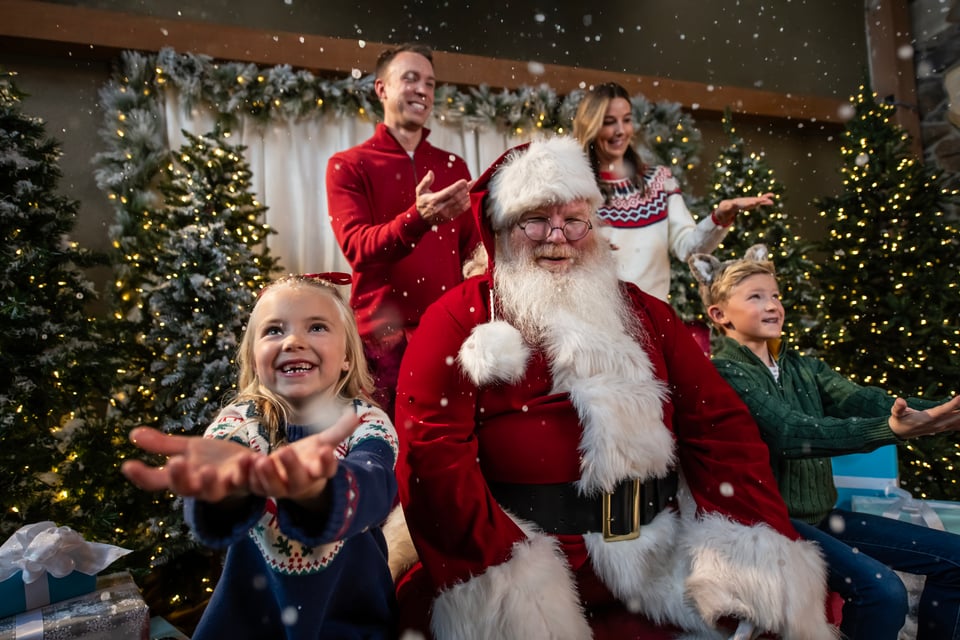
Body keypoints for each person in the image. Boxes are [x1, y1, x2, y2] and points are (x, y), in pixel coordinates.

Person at [390, 136, 836, 639]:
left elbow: (719, 426)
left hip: (656, 558)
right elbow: (432, 458)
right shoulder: (457, 318)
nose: (556, 236)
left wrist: (749, 546)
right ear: (500, 229)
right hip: (526, 561)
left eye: (574, 220)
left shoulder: (645, 312)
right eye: (534, 219)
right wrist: (503, 570)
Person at [689, 244, 960, 640]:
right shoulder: (726, 372)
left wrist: (939, 411)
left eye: (776, 295)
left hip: (821, 518)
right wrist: (889, 431)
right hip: (773, 526)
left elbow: (866, 400)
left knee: (954, 558)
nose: (773, 305)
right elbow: (791, 433)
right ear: (719, 315)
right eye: (756, 297)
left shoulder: (802, 367)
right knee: (883, 592)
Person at [122, 273, 399, 640]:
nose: (293, 341)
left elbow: (376, 480)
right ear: (254, 360)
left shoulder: (366, 421)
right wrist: (224, 483)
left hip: (348, 622)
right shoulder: (239, 422)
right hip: (246, 623)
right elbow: (221, 481)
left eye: (316, 327)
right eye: (273, 331)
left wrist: (318, 489)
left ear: (348, 357)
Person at [326, 43, 481, 419]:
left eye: (429, 82)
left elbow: (474, 254)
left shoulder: (452, 165)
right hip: (379, 346)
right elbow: (358, 247)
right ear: (382, 89)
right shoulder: (348, 165)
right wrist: (418, 218)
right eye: (410, 79)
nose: (423, 90)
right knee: (383, 455)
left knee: (443, 453)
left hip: (447, 337)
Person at [571, 81, 775, 301]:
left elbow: (688, 248)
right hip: (596, 315)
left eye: (627, 120)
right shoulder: (575, 186)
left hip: (652, 319)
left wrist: (721, 216)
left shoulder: (659, 181)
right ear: (591, 125)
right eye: (609, 122)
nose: (621, 130)